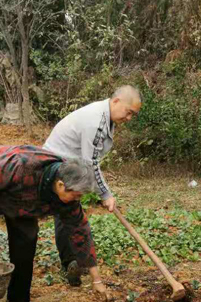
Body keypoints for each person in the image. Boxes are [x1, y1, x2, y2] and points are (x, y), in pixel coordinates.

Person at [0, 145, 108, 302]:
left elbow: (80, 232)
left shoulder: (67, 195)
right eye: (76, 196)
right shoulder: (22, 165)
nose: (77, 200)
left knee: (26, 239)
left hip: (20, 197)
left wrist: (96, 280)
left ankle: (18, 298)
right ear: (61, 185)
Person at [43, 85, 142, 285]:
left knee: (67, 212)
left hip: (69, 163)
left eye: (133, 115)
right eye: (128, 112)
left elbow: (90, 161)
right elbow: (91, 163)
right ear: (116, 101)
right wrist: (105, 194)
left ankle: (73, 261)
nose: (129, 118)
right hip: (57, 163)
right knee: (68, 209)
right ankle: (72, 262)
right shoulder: (96, 121)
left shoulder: (105, 117)